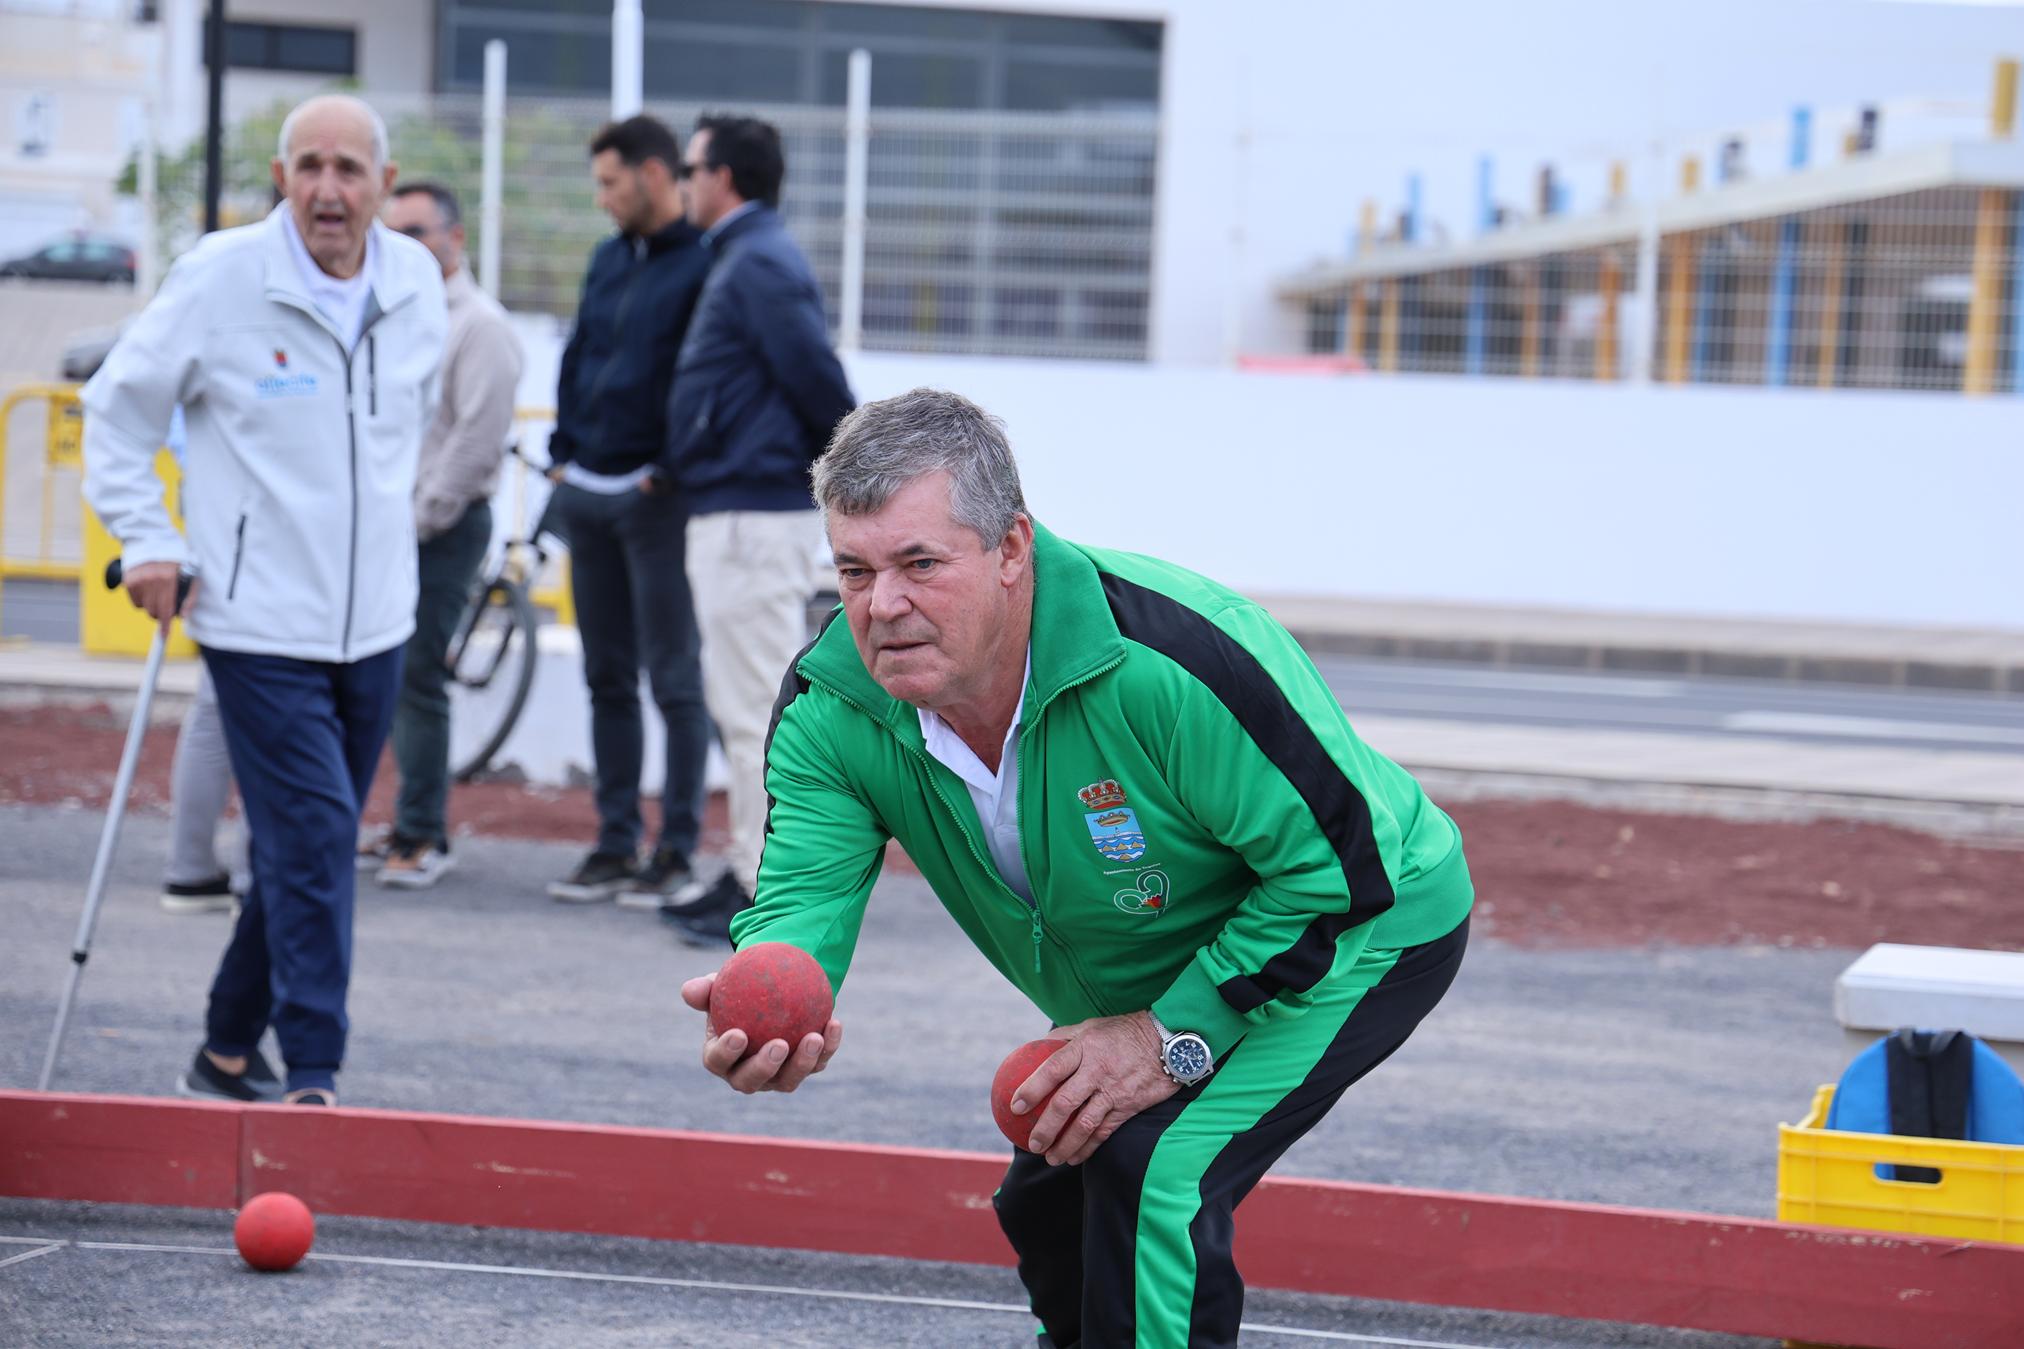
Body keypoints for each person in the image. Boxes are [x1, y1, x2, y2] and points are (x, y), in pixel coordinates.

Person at [679, 389, 1475, 1349]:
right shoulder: (831, 708)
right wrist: (774, 996)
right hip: (1161, 955)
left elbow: (1340, 877)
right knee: (1052, 1199)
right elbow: (802, 896)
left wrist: (1166, 1035)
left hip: (1365, 926)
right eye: (854, 570)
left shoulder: (1174, 657)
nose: (881, 605)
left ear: (1012, 548)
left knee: (1152, 1174)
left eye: (919, 564)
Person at [82, 94, 447, 1107]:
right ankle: (317, 1072)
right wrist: (151, 538)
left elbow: (404, 428)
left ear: (383, 179)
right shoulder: (220, 278)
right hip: (255, 617)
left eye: (349, 169)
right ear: (283, 175)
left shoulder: (415, 279)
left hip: (377, 617)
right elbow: (116, 417)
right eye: (309, 167)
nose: (328, 189)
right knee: (322, 830)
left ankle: (225, 1052)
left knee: (302, 842)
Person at [657, 113, 855, 944]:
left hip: (751, 516)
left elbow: (818, 378)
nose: (684, 181)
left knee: (756, 714)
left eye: (692, 167)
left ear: (725, 177)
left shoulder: (761, 260)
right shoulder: (745, 255)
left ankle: (763, 889)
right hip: (735, 509)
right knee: (741, 707)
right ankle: (746, 869)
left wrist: (850, 475)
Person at [542, 114, 713, 907]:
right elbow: (579, 355)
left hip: (657, 501)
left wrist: (669, 471)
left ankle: (674, 851)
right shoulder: (608, 259)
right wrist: (563, 451)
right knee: (604, 675)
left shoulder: (705, 263)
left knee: (674, 678)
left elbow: (706, 378)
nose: (603, 199)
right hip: (589, 492)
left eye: (611, 182)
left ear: (653, 174)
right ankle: (614, 844)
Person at [363, 181, 523, 889]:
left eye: (418, 231)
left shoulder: (479, 326)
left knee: (419, 674)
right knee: (385, 677)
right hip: (391, 522)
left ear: (456, 239)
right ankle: (404, 821)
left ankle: (423, 834)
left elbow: (477, 441)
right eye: (392, 231)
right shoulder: (395, 309)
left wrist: (419, 517)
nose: (403, 245)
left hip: (443, 526)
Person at [157, 404, 240, 915]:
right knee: (278, 694)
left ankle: (191, 866)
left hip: (215, 506)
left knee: (219, 699)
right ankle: (259, 873)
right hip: (252, 522)